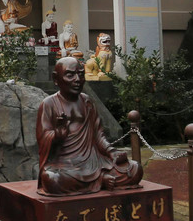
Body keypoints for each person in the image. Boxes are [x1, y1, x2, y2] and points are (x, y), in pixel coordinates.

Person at [36, 56, 143, 195]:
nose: (77, 80)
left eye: (81, 74)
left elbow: (98, 136)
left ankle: (97, 179)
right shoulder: (49, 104)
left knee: (135, 169)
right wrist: (58, 134)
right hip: (65, 164)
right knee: (52, 179)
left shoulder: (87, 102)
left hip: (94, 162)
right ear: (56, 78)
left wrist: (112, 152)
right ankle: (100, 180)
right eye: (70, 75)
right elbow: (42, 138)